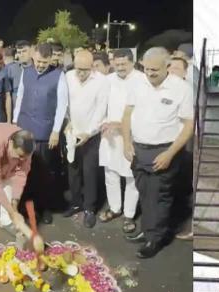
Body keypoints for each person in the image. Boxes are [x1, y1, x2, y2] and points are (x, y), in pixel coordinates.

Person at [122, 47, 194, 258]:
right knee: (145, 193)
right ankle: (147, 229)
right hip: (138, 149)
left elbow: (189, 125)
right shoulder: (137, 83)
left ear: (167, 66)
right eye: (146, 69)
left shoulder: (181, 88)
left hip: (163, 150)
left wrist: (170, 154)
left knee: (160, 196)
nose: (150, 73)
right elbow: (127, 114)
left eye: (155, 70)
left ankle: (155, 239)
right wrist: (127, 142)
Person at [13, 43, 69, 225]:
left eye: (44, 62)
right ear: (33, 57)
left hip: (45, 131)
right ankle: (25, 205)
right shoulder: (26, 72)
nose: (40, 65)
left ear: (50, 59)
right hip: (25, 127)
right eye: (37, 61)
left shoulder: (59, 75)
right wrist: (15, 122)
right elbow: (20, 96)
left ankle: (43, 208)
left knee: (43, 172)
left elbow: (62, 105)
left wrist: (55, 131)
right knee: (24, 170)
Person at [98, 48, 143, 235]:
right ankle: (115, 208)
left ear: (132, 62)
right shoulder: (108, 80)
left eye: (124, 64)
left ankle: (129, 214)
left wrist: (122, 124)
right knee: (111, 173)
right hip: (109, 137)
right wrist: (103, 124)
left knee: (131, 177)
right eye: (117, 65)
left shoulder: (142, 80)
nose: (121, 68)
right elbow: (101, 106)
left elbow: (144, 110)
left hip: (133, 136)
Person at [64, 50, 108, 227]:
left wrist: (89, 132)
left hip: (91, 135)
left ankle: (90, 209)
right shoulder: (68, 76)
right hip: (71, 132)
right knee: (73, 170)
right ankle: (76, 203)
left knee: (90, 173)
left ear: (92, 67)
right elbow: (64, 102)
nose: (80, 73)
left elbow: (101, 110)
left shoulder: (101, 82)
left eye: (84, 70)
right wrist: (67, 121)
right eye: (77, 69)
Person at [6, 40, 31, 109]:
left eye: (24, 51)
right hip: (16, 112)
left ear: (31, 51)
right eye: (19, 52)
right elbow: (7, 94)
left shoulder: (37, 68)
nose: (22, 55)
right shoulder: (11, 69)